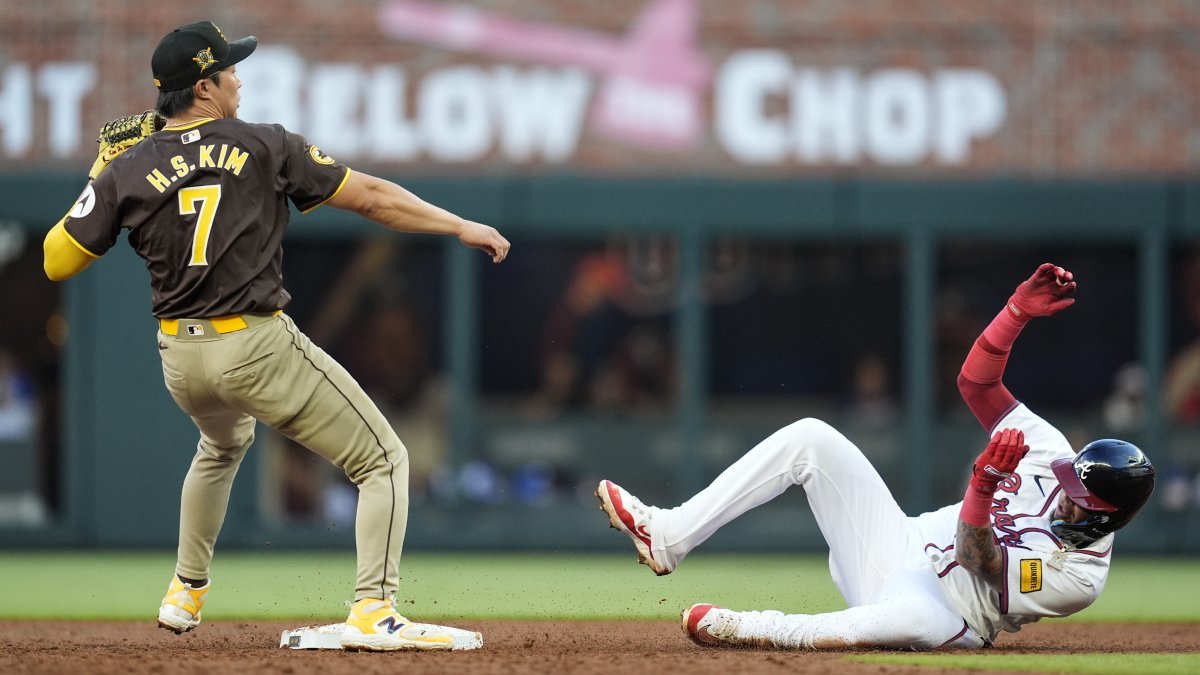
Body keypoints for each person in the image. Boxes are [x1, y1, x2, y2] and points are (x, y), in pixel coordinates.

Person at [42, 20, 509, 651]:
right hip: (253, 345)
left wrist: (101, 171)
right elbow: (369, 198)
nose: (239, 77)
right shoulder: (262, 145)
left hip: (181, 359)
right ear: (203, 86)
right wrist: (457, 225)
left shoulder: (129, 167)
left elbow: (56, 261)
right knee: (384, 460)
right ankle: (374, 610)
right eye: (229, 69)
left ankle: (185, 590)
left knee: (221, 444)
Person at [596, 263, 1155, 650]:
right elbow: (976, 385)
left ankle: (753, 628)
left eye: (1082, 498)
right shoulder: (1051, 453)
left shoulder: (1080, 577)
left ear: (1108, 516)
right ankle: (669, 534)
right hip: (894, 544)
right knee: (812, 437)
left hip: (945, 612)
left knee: (912, 618)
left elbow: (979, 561)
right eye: (1071, 480)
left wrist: (983, 486)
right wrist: (1014, 314)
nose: (1066, 491)